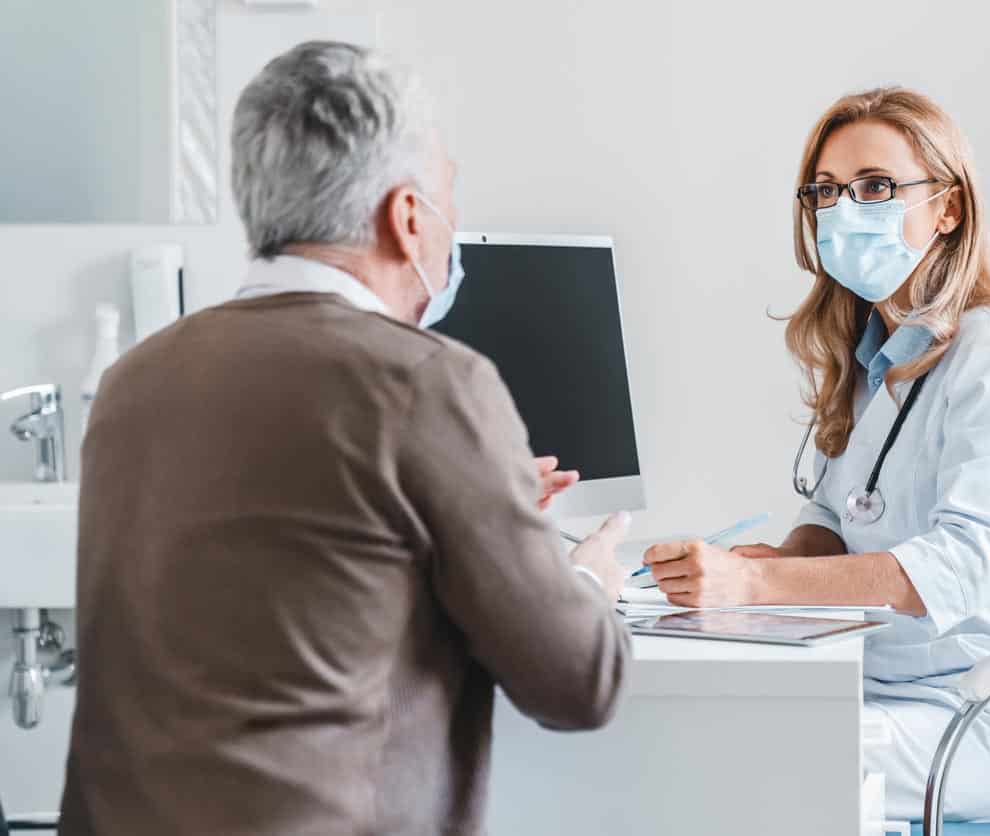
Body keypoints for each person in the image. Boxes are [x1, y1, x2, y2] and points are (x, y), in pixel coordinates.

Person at [59, 41, 631, 836]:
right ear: (407, 217)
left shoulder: (133, 381)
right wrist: (586, 575)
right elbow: (578, 684)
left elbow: (296, 582)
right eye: (448, 198)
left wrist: (478, 506)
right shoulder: (429, 383)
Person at [644, 87, 990, 822]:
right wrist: (783, 560)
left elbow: (954, 567)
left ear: (948, 208)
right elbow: (835, 512)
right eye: (826, 191)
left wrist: (748, 588)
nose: (844, 209)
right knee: (685, 723)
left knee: (737, 756)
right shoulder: (878, 359)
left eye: (875, 187)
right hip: (879, 687)